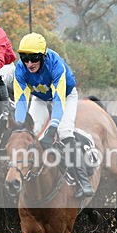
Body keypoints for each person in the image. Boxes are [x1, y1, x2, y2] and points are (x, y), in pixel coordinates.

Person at [13, 32, 94, 198]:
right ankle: (25, 178)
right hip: (40, 98)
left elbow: (58, 100)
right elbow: (21, 100)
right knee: (29, 134)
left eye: (34, 58)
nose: (29, 63)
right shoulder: (20, 69)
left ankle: (83, 181)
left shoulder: (56, 65)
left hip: (65, 96)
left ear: (43, 56)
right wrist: (20, 124)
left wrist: (52, 129)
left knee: (64, 132)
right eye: (25, 58)